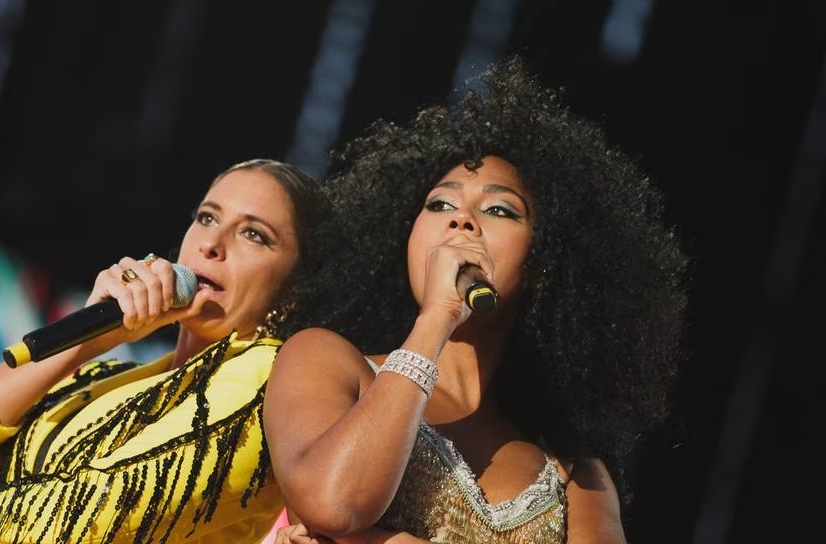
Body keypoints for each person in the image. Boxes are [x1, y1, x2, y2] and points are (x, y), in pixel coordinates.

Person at [263, 56, 690, 543]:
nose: (461, 220)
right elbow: (336, 505)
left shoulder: (577, 478)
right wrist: (438, 317)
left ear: (543, 268)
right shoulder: (324, 359)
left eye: (499, 209)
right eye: (439, 204)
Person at [0, 158, 330, 544]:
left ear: (294, 290)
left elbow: (66, 529)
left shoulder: (271, 385)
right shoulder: (104, 375)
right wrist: (89, 341)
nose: (212, 244)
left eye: (253, 235)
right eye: (208, 218)